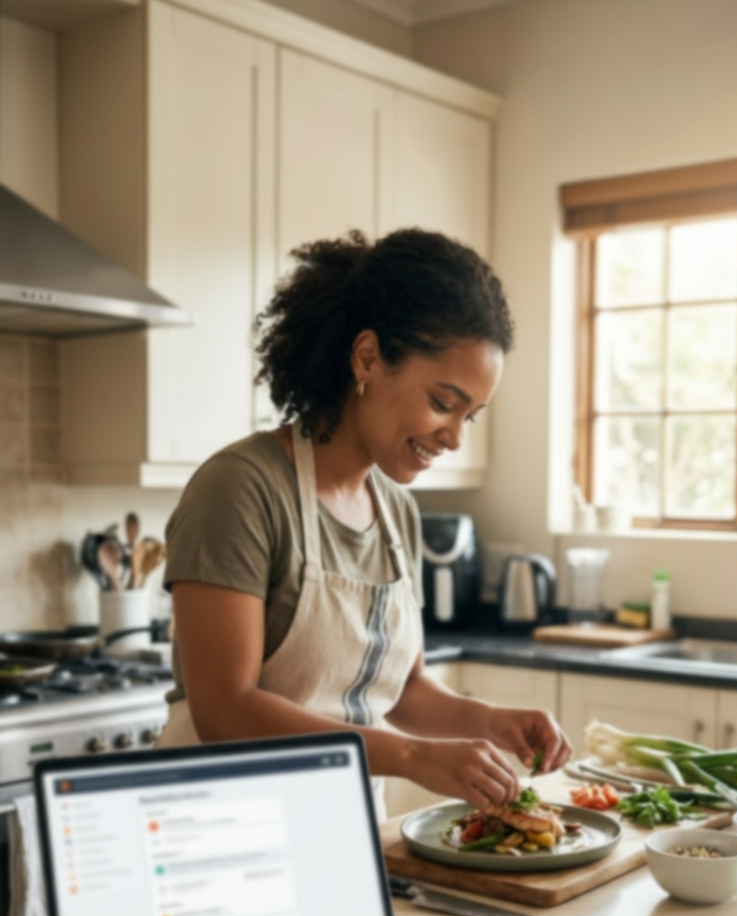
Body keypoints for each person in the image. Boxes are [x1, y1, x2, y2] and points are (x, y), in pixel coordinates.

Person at [158, 228, 572, 814]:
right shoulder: (241, 489)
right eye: (442, 403)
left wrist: (490, 722)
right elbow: (226, 711)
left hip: (341, 826)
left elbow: (402, 689)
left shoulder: (397, 509)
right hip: (222, 829)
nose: (454, 437)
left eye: (470, 416)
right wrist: (411, 758)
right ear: (368, 358)